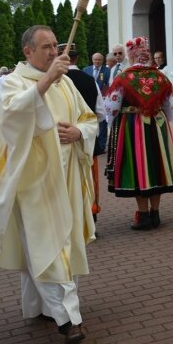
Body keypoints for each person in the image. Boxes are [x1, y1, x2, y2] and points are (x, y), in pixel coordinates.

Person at [0, 25, 97, 344]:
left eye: (54, 46)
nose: (52, 52)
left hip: (67, 178)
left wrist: (79, 133)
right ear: (27, 52)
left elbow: (90, 120)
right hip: (33, 182)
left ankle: (43, 306)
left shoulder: (66, 84)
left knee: (61, 244)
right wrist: (46, 81)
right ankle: (68, 318)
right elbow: (14, 119)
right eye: (45, 47)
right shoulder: (13, 83)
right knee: (47, 245)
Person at [103, 36, 173, 230]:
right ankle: (155, 214)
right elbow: (168, 107)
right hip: (157, 124)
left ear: (131, 56)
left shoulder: (124, 77)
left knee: (138, 167)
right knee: (156, 166)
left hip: (133, 127)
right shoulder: (160, 77)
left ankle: (144, 215)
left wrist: (111, 124)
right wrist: (163, 122)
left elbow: (112, 106)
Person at [62, 43, 106, 229]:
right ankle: (91, 217)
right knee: (89, 178)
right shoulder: (89, 80)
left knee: (65, 181)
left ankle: (68, 222)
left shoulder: (56, 81)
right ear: (77, 58)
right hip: (86, 140)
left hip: (62, 140)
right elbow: (101, 113)